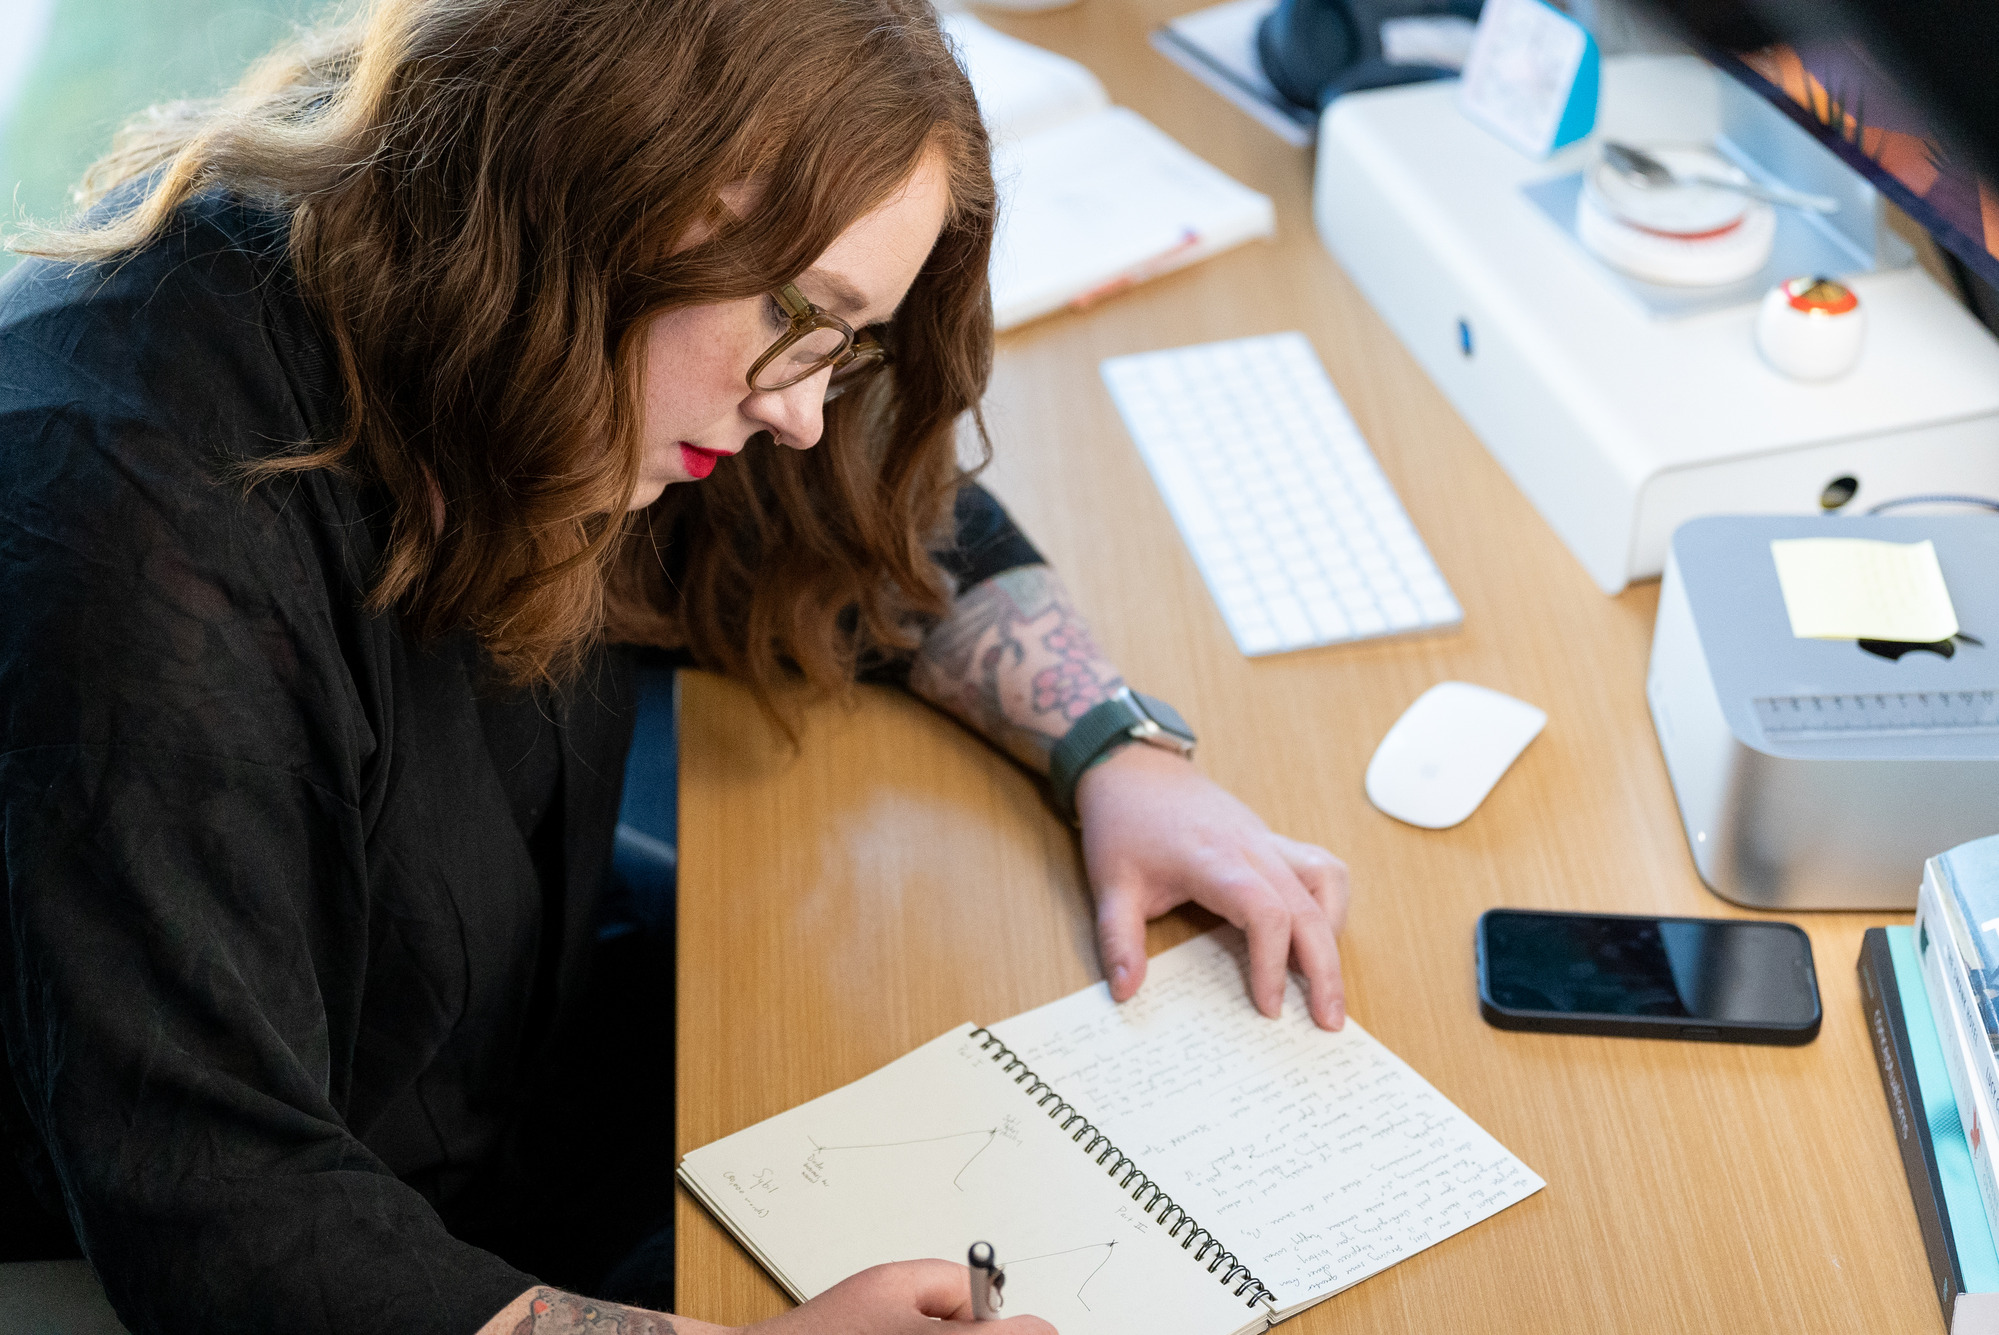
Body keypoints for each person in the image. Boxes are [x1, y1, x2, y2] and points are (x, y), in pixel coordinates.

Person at [0, 1, 1351, 1330]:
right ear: (609, 188)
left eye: (846, 342)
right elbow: (221, 1210)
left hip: (499, 1044)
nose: (806, 412)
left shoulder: (549, 320)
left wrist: (1115, 748)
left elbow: (858, 511)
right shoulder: (131, 527)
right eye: (798, 319)